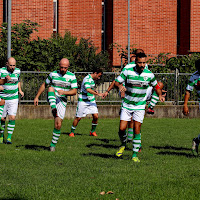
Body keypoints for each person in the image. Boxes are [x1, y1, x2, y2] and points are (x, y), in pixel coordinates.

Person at [114, 52, 165, 162]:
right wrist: (121, 85)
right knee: (122, 129)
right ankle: (123, 144)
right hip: (127, 104)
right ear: (135, 62)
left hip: (140, 106)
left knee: (137, 129)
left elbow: (156, 86)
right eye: (140, 62)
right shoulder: (128, 71)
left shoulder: (149, 74)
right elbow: (117, 82)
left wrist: (160, 95)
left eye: (144, 63)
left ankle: (134, 155)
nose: (142, 65)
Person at [34, 58, 78, 152]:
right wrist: (37, 96)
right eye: (61, 67)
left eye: (65, 68)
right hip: (52, 97)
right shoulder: (53, 74)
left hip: (62, 100)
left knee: (58, 124)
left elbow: (74, 91)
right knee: (50, 88)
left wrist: (64, 92)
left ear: (68, 67)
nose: (63, 69)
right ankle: (53, 108)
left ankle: (52, 146)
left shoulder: (72, 76)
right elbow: (44, 85)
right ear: (59, 65)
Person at [70, 68, 103, 137]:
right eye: (98, 76)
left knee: (96, 116)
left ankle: (92, 131)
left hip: (91, 100)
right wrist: (97, 94)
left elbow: (91, 89)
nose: (99, 78)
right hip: (83, 101)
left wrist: (95, 91)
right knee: (78, 118)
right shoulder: (87, 79)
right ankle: (72, 132)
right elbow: (88, 89)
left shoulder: (92, 80)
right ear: (95, 73)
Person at [0, 57, 24, 144]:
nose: (12, 67)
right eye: (11, 65)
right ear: (7, 64)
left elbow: (18, 81)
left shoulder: (18, 71)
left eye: (14, 65)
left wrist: (20, 90)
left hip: (13, 98)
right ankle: (1, 136)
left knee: (12, 117)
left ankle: (9, 138)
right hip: (3, 98)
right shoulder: (1, 71)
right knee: (2, 119)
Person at [183, 59, 200, 156]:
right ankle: (196, 140)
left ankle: (197, 140)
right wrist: (185, 105)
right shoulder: (194, 77)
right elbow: (188, 91)